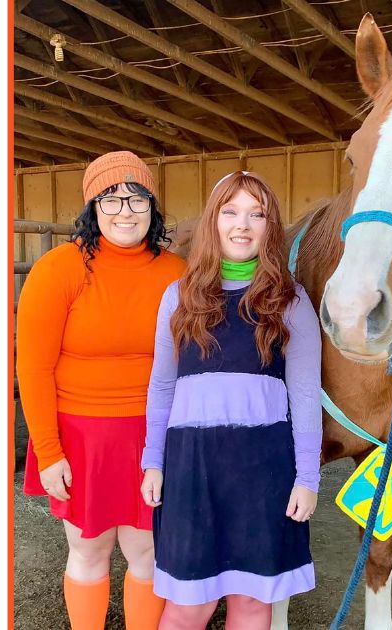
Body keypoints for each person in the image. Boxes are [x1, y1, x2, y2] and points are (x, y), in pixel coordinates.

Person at [140, 171, 322, 629]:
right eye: (231, 212)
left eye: (256, 214)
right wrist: (153, 461)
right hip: (192, 468)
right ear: (213, 221)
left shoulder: (291, 301)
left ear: (270, 227)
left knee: (252, 601)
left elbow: (303, 395)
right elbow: (162, 386)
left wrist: (307, 478)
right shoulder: (177, 299)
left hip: (263, 471)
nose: (243, 225)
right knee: (188, 605)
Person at [17, 151, 186, 630]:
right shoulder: (59, 269)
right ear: (92, 209)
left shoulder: (177, 272)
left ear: (153, 208)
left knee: (147, 552)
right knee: (88, 550)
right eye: (110, 199)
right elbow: (33, 367)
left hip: (152, 436)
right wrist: (48, 452)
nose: (125, 210)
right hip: (80, 437)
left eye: (136, 198)